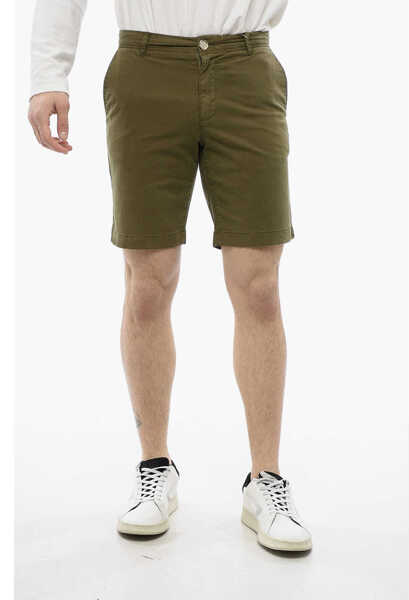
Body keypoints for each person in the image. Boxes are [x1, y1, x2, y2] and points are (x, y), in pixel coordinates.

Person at [28, 0, 312, 552]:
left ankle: (266, 480)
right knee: (147, 286)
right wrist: (48, 74)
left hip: (246, 65)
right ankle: (155, 468)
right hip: (145, 65)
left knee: (260, 287)